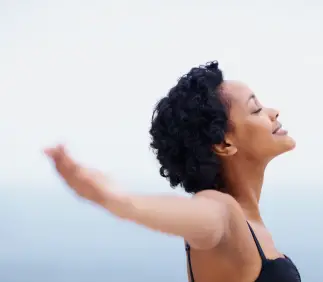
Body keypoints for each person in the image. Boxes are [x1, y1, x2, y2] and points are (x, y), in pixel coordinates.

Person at [44, 61, 301, 282]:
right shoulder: (222, 210)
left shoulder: (250, 224)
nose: (273, 111)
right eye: (256, 109)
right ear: (224, 144)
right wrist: (116, 200)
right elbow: (201, 217)